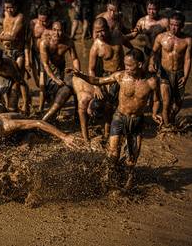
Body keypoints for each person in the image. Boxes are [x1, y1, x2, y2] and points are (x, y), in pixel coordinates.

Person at [73, 48, 162, 191]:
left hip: (137, 121)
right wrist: (81, 75)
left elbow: (157, 100)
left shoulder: (151, 82)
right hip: (119, 117)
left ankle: (129, 181)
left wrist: (155, 113)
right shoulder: (121, 76)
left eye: (129, 66)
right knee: (113, 153)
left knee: (132, 159)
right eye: (125, 65)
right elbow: (98, 80)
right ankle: (108, 179)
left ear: (139, 64)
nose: (126, 69)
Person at [0, 111, 77, 196]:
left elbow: (38, 123)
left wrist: (64, 136)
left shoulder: (6, 125)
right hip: (5, 138)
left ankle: (32, 187)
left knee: (19, 156)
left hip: (24, 132)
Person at [84, 17, 133, 140]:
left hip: (123, 75)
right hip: (108, 78)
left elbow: (130, 47)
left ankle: (125, 130)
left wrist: (133, 64)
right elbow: (91, 69)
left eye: (102, 30)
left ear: (107, 28)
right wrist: (96, 87)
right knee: (107, 107)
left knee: (125, 104)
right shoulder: (96, 46)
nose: (99, 34)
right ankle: (106, 132)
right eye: (96, 31)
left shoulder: (117, 35)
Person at [149, 12, 191, 127]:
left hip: (179, 73)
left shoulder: (187, 40)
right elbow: (154, 52)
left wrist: (186, 76)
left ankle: (170, 118)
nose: (173, 27)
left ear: (182, 26)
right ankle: (167, 128)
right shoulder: (161, 37)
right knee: (166, 102)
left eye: (176, 25)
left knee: (178, 104)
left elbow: (187, 60)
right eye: (171, 24)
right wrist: (152, 63)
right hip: (164, 73)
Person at [39, 20, 80, 121]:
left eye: (60, 30)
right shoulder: (45, 42)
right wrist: (54, 78)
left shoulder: (68, 41)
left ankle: (76, 113)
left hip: (61, 66)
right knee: (44, 89)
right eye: (54, 30)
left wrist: (77, 72)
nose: (56, 33)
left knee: (72, 86)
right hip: (47, 66)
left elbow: (74, 59)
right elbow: (45, 64)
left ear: (64, 31)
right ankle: (41, 110)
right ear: (51, 30)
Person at [25, 5, 52, 87]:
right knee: (38, 80)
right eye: (40, 20)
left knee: (46, 80)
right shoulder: (33, 24)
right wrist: (27, 59)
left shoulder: (54, 26)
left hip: (49, 55)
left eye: (45, 21)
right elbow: (27, 42)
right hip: (35, 54)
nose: (43, 23)